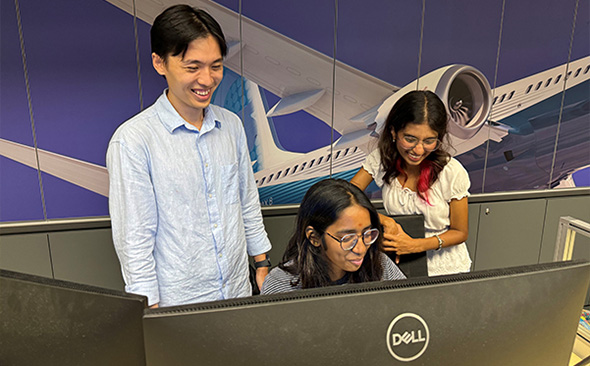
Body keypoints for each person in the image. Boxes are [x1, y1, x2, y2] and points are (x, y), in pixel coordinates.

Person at [107, 5, 271, 308]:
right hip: (179, 303)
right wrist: (151, 308)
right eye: (192, 67)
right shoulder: (134, 140)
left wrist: (261, 262)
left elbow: (246, 199)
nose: (207, 79)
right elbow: (135, 238)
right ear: (160, 63)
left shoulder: (231, 125)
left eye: (216, 65)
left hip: (237, 291)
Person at [351, 90, 471, 276]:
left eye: (429, 141)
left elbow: (460, 232)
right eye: (410, 139)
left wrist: (415, 246)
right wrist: (382, 220)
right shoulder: (381, 160)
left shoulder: (451, 171)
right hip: (399, 265)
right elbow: (346, 194)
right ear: (393, 132)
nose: (418, 149)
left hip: (446, 269)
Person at [261, 179, 406, 295]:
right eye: (348, 238)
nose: (361, 249)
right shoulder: (282, 284)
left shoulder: (380, 265)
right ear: (314, 237)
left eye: (367, 234)